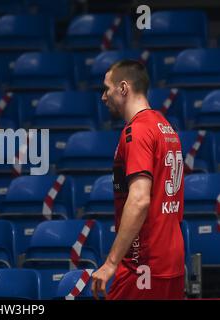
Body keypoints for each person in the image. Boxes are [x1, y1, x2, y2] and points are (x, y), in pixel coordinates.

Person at [91, 60, 185, 300]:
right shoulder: (165, 127)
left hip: (142, 264)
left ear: (123, 88)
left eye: (107, 88)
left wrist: (111, 263)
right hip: (171, 262)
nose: (104, 97)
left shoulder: (138, 131)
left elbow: (140, 199)